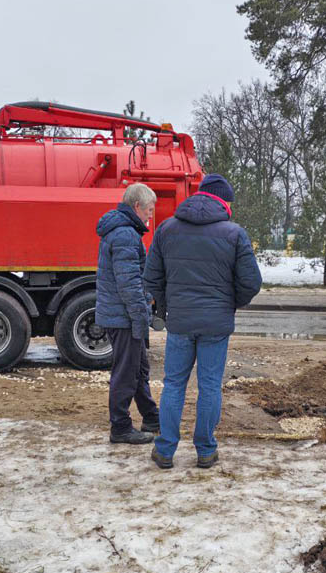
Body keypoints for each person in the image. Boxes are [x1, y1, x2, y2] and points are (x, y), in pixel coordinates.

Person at [144, 174, 262, 469]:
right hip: (216, 324)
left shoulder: (166, 229)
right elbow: (251, 282)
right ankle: (206, 450)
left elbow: (152, 278)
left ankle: (166, 450)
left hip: (181, 322)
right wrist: (230, 304)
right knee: (209, 386)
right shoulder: (234, 234)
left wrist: (168, 306)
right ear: (223, 202)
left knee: (173, 385)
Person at [95, 183, 161, 444]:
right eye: (149, 210)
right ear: (137, 207)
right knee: (126, 372)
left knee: (138, 368)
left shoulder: (123, 231)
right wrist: (140, 318)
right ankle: (120, 427)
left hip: (121, 315)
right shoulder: (125, 235)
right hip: (124, 318)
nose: (150, 215)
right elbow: (130, 285)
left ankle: (151, 416)